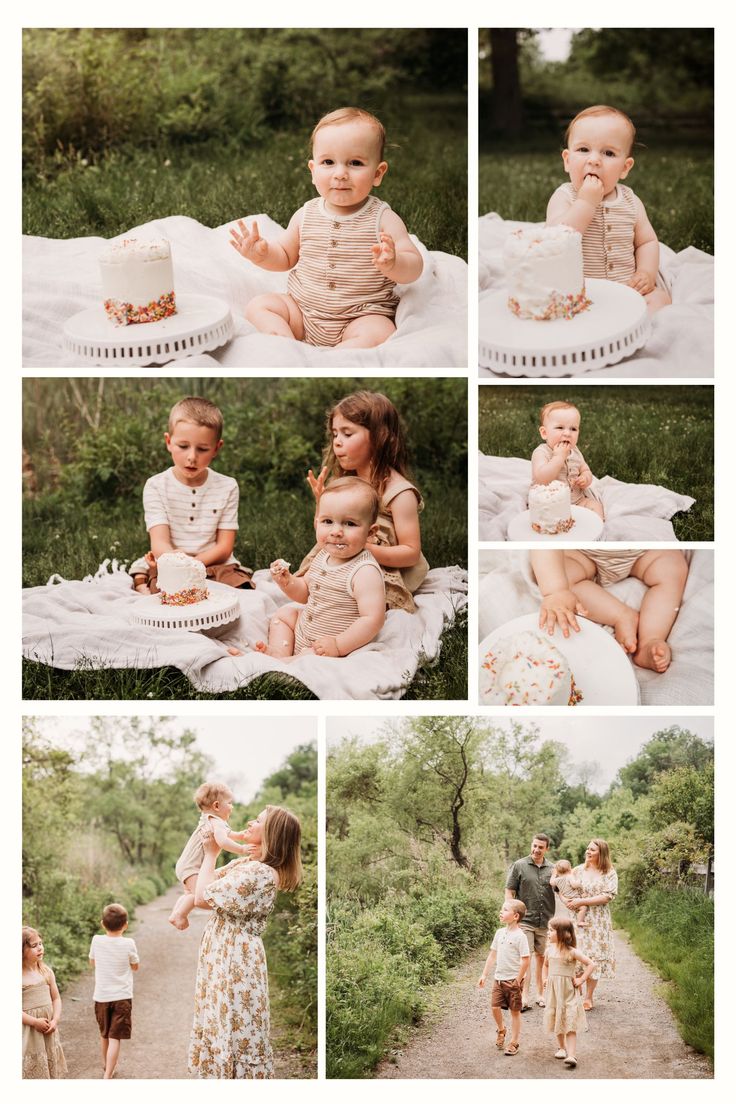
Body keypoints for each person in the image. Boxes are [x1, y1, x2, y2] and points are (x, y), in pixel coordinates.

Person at [230, 107, 423, 347]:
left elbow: (414, 266)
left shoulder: (382, 218)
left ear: (378, 173)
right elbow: (285, 256)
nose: (340, 173)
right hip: (301, 311)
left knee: (379, 331)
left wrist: (394, 263)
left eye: (355, 163)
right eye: (328, 162)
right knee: (259, 306)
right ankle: (284, 345)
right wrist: (262, 254)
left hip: (359, 315)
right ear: (313, 171)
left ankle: (340, 356)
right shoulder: (306, 214)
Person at [188, 805, 302, 1079]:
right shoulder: (249, 864)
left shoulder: (260, 873)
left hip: (235, 960)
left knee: (233, 1029)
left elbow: (203, 897)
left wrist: (211, 854)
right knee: (221, 1024)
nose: (250, 822)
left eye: (258, 821)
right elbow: (200, 885)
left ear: (271, 834)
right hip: (224, 954)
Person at [297, 390, 428, 612]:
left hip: (379, 571)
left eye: (347, 434)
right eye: (335, 434)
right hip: (343, 559)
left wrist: (360, 548)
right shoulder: (347, 482)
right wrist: (322, 506)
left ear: (380, 437)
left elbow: (411, 553)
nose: (337, 442)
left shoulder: (399, 492)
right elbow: (324, 533)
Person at [547, 104, 671, 313]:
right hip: (578, 293)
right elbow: (556, 241)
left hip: (627, 289)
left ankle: (633, 328)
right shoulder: (565, 197)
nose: (594, 160)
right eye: (583, 150)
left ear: (625, 167)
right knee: (553, 305)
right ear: (567, 161)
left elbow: (647, 242)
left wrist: (646, 273)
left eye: (608, 153)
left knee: (661, 300)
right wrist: (586, 202)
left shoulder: (631, 202)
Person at [129, 396, 253, 597]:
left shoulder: (227, 486)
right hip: (173, 562)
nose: (192, 457)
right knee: (167, 593)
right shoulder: (156, 485)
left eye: (202, 449)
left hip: (214, 563)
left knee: (239, 590)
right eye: (183, 446)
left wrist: (194, 565)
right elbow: (160, 543)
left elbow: (224, 547)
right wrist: (177, 563)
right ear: (169, 442)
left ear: (216, 448)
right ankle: (143, 580)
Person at [256, 477, 385, 657]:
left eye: (349, 523)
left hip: (328, 646)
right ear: (317, 522)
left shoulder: (364, 571)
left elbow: (373, 620)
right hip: (306, 629)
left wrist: (338, 645)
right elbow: (305, 593)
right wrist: (288, 582)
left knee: (310, 658)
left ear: (370, 533)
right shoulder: (323, 556)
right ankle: (280, 653)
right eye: (327, 521)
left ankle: (285, 665)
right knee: (284, 615)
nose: (336, 531)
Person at [530, 546, 688, 673]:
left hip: (639, 552)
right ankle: (621, 615)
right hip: (583, 553)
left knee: (672, 566)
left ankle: (650, 639)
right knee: (557, 576)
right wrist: (556, 591)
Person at [169, 781, 252, 931]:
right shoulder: (216, 821)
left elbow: (228, 834)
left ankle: (176, 912)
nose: (232, 806)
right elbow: (222, 840)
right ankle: (179, 915)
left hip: (186, 864)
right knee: (197, 895)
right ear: (216, 806)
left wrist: (240, 835)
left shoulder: (210, 820)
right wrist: (242, 849)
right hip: (192, 866)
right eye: (229, 802)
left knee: (189, 892)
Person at [505, 833, 556, 1011]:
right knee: (525, 958)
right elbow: (509, 891)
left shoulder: (553, 868)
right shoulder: (519, 865)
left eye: (540, 847)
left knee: (542, 958)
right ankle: (524, 996)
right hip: (525, 920)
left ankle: (540, 995)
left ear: (546, 849)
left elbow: (562, 889)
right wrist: (510, 913)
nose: (536, 849)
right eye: (534, 846)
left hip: (546, 920)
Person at [566, 839, 618, 1012]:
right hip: (577, 917)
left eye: (592, 850)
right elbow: (564, 888)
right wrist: (568, 901)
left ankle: (588, 997)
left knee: (594, 956)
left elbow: (607, 896)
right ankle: (576, 994)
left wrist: (583, 900)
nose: (588, 852)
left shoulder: (609, 872)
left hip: (598, 920)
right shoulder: (578, 870)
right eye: (587, 849)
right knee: (577, 954)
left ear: (601, 853)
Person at [89, 903, 140, 1079]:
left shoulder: (96, 940)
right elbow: (135, 966)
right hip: (122, 997)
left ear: (103, 924)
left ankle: (106, 1066)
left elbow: (92, 962)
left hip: (101, 996)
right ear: (125, 925)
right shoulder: (128, 943)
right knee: (115, 1037)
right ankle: (108, 1074)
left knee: (104, 1034)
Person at [530, 401, 603, 520]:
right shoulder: (541, 452)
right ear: (544, 433)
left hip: (577, 501)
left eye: (573, 429)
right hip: (549, 504)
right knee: (546, 519)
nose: (567, 433)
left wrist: (585, 478)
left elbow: (585, 469)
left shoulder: (575, 451)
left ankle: (596, 528)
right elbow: (541, 479)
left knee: (595, 506)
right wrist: (559, 457)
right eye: (560, 427)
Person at [477, 899, 530, 1056]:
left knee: (515, 1012)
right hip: (498, 979)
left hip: (513, 981)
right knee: (494, 1007)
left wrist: (518, 980)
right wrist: (484, 974)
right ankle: (501, 1029)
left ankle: (514, 1042)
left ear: (515, 916)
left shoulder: (521, 937)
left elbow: (526, 959)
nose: (501, 912)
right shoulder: (499, 933)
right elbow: (492, 955)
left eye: (505, 910)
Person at [541, 917, 594, 1069]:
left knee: (569, 1021)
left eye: (551, 930)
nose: (548, 933)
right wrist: (545, 979)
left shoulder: (572, 952)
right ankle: (562, 1048)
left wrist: (581, 979)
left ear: (563, 934)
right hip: (554, 993)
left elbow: (591, 964)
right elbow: (545, 966)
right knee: (557, 1017)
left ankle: (572, 1055)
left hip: (569, 992)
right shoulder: (549, 950)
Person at [22, 927, 67, 1079]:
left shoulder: (46, 971)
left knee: (49, 1062)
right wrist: (34, 1022)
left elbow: (56, 998)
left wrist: (55, 1020)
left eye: (41, 943)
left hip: (48, 1029)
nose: (40, 948)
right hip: (29, 1032)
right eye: (34, 946)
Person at [551, 860, 588, 925]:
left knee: (576, 910)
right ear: (569, 869)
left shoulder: (556, 880)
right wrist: (580, 882)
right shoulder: (569, 876)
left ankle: (576, 920)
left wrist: (553, 874)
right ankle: (580, 921)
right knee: (583, 908)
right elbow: (574, 885)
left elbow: (551, 882)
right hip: (575, 898)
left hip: (567, 900)